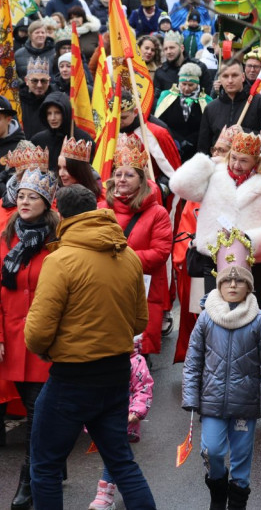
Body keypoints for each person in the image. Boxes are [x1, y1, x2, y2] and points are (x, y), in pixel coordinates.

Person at [24, 185, 155, 510]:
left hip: (71, 378)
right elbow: (140, 322)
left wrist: (49, 349)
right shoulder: (128, 256)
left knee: (45, 465)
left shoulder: (60, 260)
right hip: (115, 376)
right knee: (123, 463)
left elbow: (37, 334)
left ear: (62, 216)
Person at [181, 228, 261, 510]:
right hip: (212, 402)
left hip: (244, 403)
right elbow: (193, 360)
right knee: (212, 450)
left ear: (249, 286)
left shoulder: (259, 321)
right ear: (219, 285)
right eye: (227, 280)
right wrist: (190, 397)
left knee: (241, 455)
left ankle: (237, 501)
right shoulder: (207, 319)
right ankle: (217, 488)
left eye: (239, 281)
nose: (233, 285)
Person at [0, 164, 58, 509]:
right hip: (13, 338)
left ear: (47, 202)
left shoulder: (59, 239)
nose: (24, 202)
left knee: (37, 413)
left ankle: (29, 479)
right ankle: (51, 467)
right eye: (21, 196)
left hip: (48, 342)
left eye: (32, 197)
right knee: (38, 412)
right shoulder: (7, 236)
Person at [171, 129, 261, 306]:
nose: (236, 165)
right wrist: (204, 163)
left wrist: (246, 240)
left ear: (256, 161)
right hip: (213, 258)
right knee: (213, 314)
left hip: (252, 263)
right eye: (233, 158)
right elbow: (179, 186)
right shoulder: (215, 175)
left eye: (243, 161)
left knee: (248, 318)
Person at [105, 134, 173, 357]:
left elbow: (161, 252)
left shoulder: (157, 213)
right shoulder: (101, 209)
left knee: (136, 354)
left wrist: (121, 258)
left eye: (129, 174)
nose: (122, 179)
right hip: (106, 285)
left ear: (142, 179)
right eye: (118, 174)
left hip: (141, 288)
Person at [88, 332, 154, 510]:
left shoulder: (136, 362)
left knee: (114, 456)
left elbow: (144, 389)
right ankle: (131, 487)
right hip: (101, 416)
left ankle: (105, 496)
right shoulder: (102, 360)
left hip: (124, 419)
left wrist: (136, 412)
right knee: (119, 457)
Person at [197, 59, 261, 153]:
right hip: (219, 165)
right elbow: (203, 147)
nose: (230, 80)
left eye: (234, 75)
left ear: (243, 77)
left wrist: (245, 133)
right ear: (220, 79)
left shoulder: (260, 102)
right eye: (225, 76)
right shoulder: (211, 108)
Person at [154, 62, 212, 162]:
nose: (186, 88)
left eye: (191, 85)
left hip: (196, 150)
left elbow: (207, 127)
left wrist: (191, 140)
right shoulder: (166, 96)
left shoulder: (206, 100)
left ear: (197, 84)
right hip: (172, 145)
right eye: (183, 84)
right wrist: (178, 140)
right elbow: (160, 122)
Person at [29, 91, 94, 170]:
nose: (53, 118)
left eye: (57, 113)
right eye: (49, 113)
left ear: (65, 113)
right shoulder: (38, 140)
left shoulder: (83, 139)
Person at [19, 57, 53, 138]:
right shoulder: (17, 101)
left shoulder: (55, 101)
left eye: (43, 81)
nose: (39, 85)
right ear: (26, 80)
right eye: (34, 81)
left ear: (49, 81)